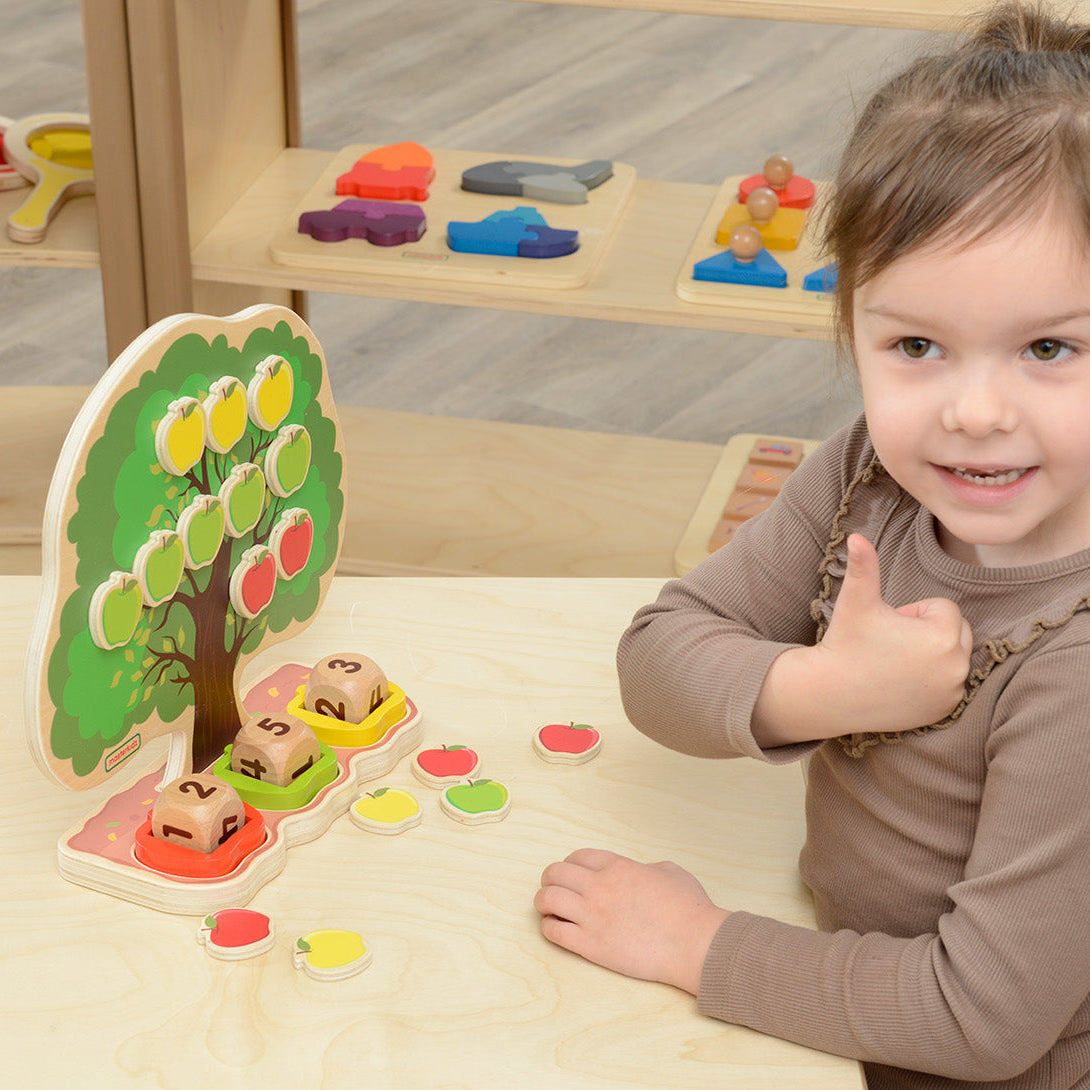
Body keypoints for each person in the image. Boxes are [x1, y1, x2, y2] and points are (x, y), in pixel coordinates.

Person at [533, 4, 1090, 1087]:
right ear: (852, 328)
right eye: (916, 344)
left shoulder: (1074, 668)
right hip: (843, 995)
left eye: (1049, 347)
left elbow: (981, 1022)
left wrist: (693, 943)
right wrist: (827, 689)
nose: (973, 412)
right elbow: (662, 647)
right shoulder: (868, 477)